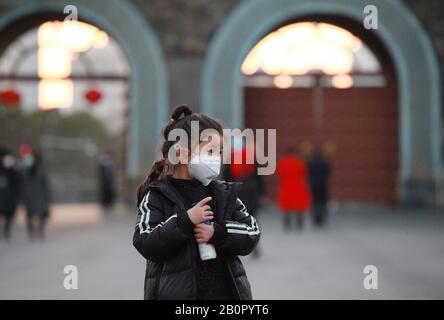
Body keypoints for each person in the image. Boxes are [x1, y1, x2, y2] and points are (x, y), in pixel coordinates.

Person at [133, 105, 260, 300]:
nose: (216, 159)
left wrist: (218, 232)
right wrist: (185, 221)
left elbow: (252, 232)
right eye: (210, 151)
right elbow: (145, 242)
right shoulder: (158, 195)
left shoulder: (223, 193)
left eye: (219, 152)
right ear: (181, 153)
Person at [222, 139, 264, 258]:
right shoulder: (251, 156)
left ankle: (236, 245)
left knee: (235, 219)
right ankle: (254, 245)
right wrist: (262, 193)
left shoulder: (230, 158)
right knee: (252, 218)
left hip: (237, 192)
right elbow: (258, 176)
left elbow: (225, 178)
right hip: (252, 192)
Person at [19, 144, 50, 241]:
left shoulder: (41, 169)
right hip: (29, 195)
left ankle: (40, 230)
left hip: (39, 195)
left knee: (42, 214)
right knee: (29, 214)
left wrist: (47, 196)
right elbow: (21, 181)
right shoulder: (25, 168)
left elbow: (45, 183)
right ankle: (31, 231)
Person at [276, 148, 311, 231]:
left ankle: (287, 224)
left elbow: (279, 174)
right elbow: (305, 173)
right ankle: (299, 224)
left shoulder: (282, 163)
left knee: (286, 207)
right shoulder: (299, 162)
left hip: (286, 187)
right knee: (300, 206)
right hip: (298, 187)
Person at [308, 148, 331, 227]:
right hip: (322, 185)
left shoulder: (311, 162)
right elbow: (327, 172)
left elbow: (308, 172)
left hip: (313, 185)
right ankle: (322, 218)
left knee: (314, 202)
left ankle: (315, 218)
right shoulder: (324, 162)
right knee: (322, 202)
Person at [0, 148, 20, 241]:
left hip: (10, 199)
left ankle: (6, 230)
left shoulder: (13, 171)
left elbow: (17, 184)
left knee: (9, 216)